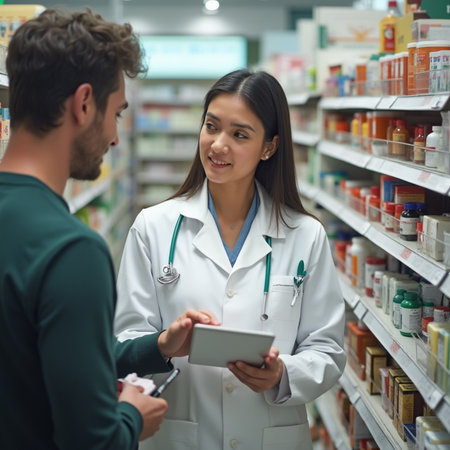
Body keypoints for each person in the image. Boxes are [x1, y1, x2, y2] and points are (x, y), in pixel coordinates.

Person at [0, 8, 219, 450]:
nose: (116, 138)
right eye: (116, 113)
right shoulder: (70, 249)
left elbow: (38, 355)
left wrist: (157, 347)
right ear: (83, 104)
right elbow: (93, 441)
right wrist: (132, 416)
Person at [114, 69, 346, 450]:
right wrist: (164, 342)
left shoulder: (306, 235)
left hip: (270, 436)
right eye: (211, 126)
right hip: (181, 434)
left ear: (268, 147)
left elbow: (328, 349)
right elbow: (124, 341)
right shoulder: (152, 228)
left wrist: (282, 374)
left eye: (239, 134)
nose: (218, 145)